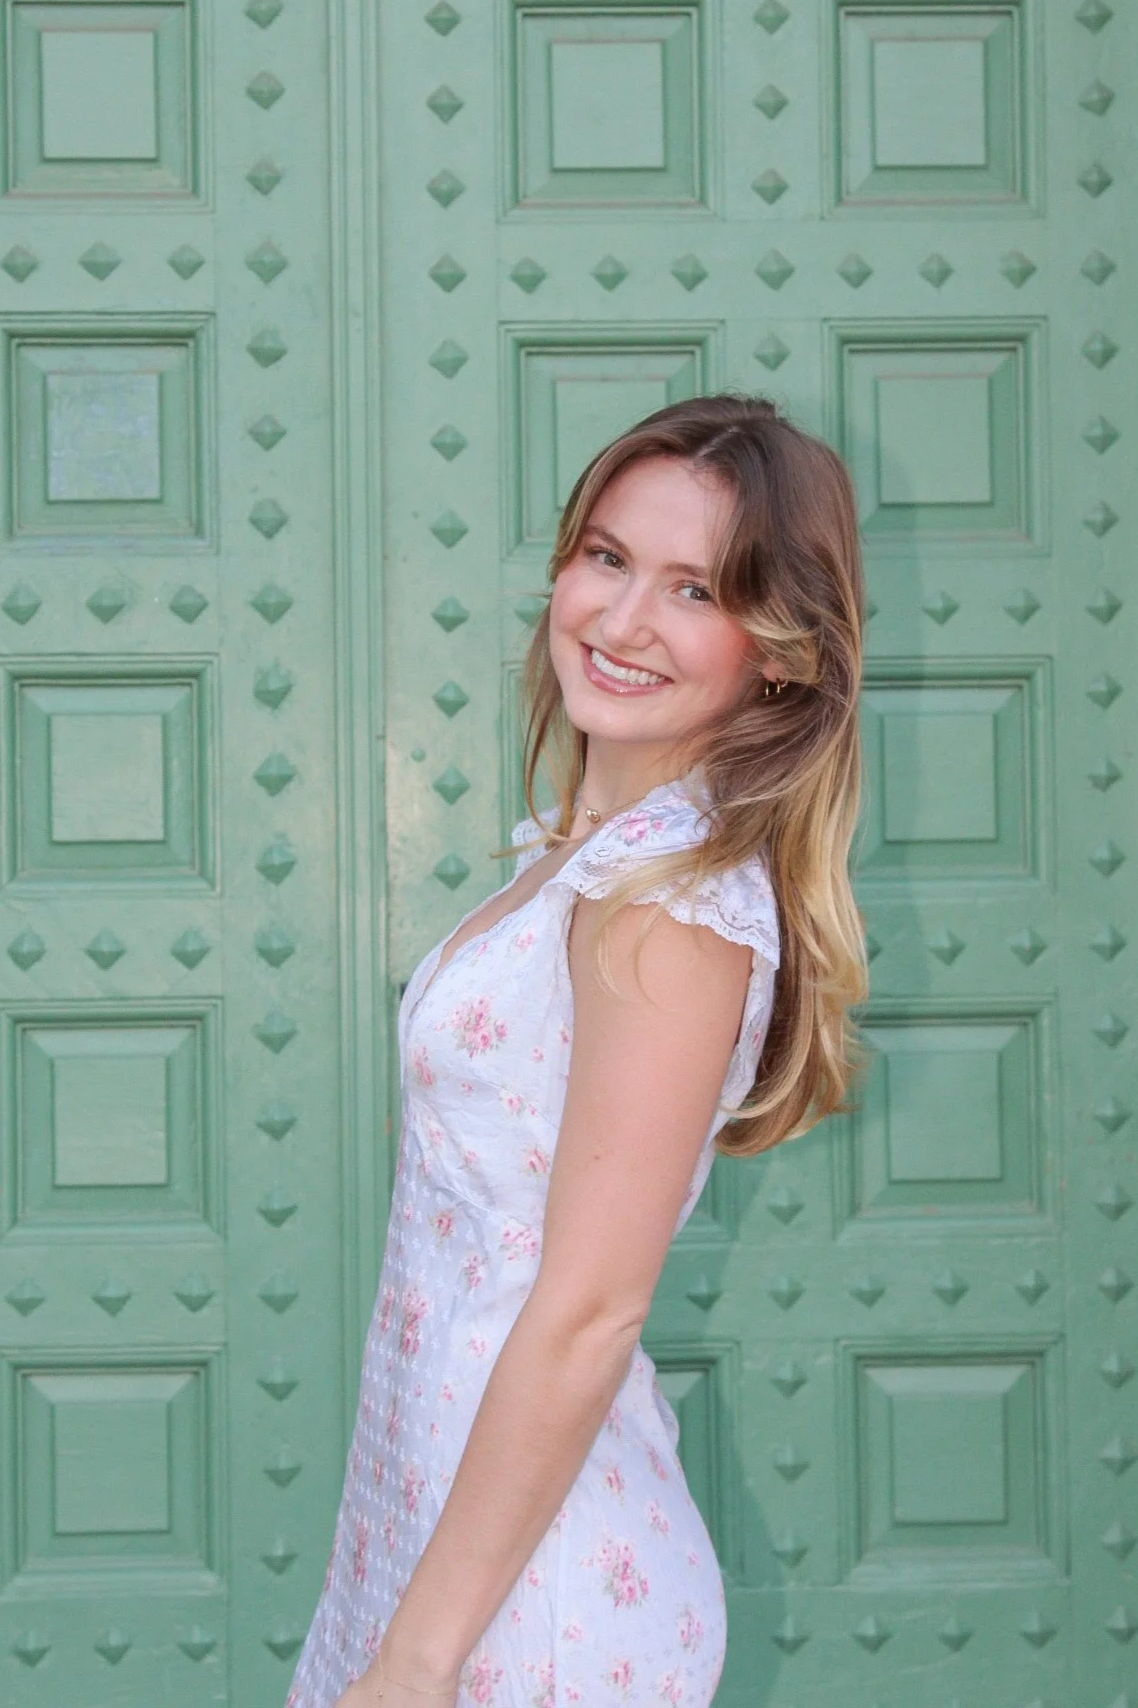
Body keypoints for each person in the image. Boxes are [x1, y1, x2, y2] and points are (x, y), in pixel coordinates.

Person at [287, 394, 868, 1708]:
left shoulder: (665, 911)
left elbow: (591, 1307)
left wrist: (417, 1664)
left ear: (775, 652)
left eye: (692, 589)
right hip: (450, 1532)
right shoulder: (583, 858)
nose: (618, 621)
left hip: (530, 1608)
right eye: (606, 557)